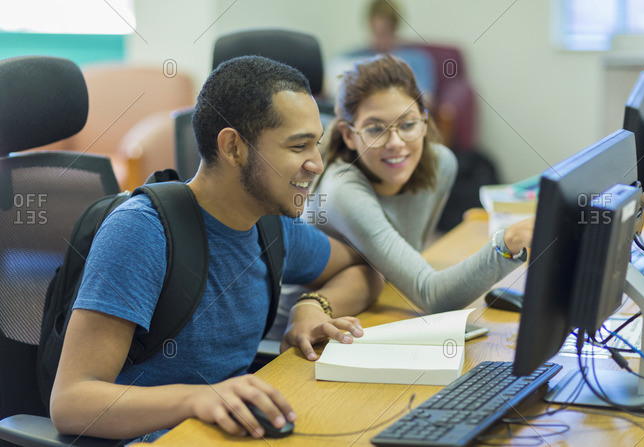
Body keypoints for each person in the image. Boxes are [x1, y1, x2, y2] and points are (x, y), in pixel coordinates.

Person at [49, 55, 383, 443]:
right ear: (233, 147)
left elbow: (366, 268)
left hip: (232, 430)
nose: (317, 164)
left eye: (317, 144)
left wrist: (310, 307)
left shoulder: (271, 226)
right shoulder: (142, 232)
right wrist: (197, 400)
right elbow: (72, 402)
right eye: (299, 146)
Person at [274, 54, 533, 331]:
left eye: (408, 124)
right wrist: (510, 240)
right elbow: (432, 295)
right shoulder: (342, 190)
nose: (396, 143)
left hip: (374, 306)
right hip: (302, 333)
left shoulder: (441, 164)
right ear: (348, 135)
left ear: (424, 120)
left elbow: (409, 261)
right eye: (376, 129)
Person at [325, 0, 436, 106]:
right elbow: (327, 85)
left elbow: (426, 100)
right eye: (375, 33)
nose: (379, 40)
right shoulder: (350, 57)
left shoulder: (416, 59)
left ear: (395, 29)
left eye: (384, 33)